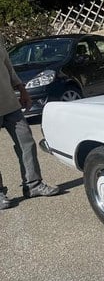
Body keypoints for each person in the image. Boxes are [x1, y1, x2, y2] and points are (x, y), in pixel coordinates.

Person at [0, 37, 60, 209]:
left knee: (26, 141)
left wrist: (22, 90)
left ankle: (33, 185)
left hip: (10, 103)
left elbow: (8, 67)